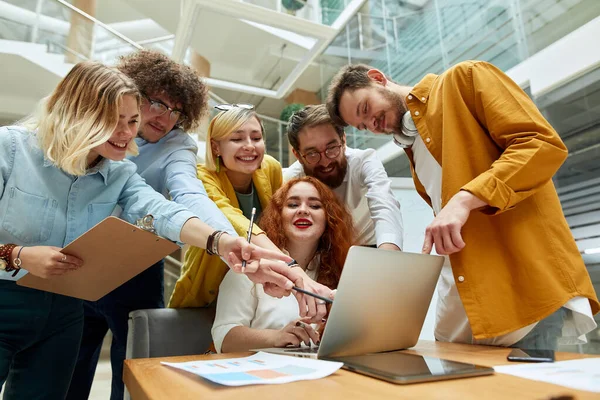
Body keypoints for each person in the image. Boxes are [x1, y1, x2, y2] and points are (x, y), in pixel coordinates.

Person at [0, 61, 291, 400]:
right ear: (77, 114)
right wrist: (16, 255)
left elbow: (164, 211)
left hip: (65, 312)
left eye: (132, 120)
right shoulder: (10, 148)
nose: (127, 132)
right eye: (114, 121)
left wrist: (222, 242)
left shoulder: (120, 173)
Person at [326, 60, 599, 350]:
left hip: (521, 299)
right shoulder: (414, 148)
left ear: (378, 78)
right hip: (463, 312)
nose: (372, 124)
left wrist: (465, 198)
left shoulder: (464, 78)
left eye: (366, 109)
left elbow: (541, 144)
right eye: (363, 126)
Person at [67, 50, 238, 400]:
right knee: (71, 362)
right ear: (134, 93)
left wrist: (227, 240)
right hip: (79, 260)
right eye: (158, 103)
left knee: (133, 369)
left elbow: (189, 193)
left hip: (136, 268)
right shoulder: (91, 132)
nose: (165, 117)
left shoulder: (177, 147)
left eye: (177, 111)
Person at [169, 106, 333, 321]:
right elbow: (231, 219)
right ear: (216, 147)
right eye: (237, 139)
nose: (249, 146)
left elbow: (276, 224)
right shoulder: (201, 177)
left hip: (252, 286)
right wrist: (292, 267)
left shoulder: (271, 168)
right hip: (207, 289)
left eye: (256, 138)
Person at [212, 176, 355, 352]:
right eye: (293, 205)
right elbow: (224, 338)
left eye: (315, 206)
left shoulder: (346, 270)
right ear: (278, 216)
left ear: (329, 218)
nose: (303, 210)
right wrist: (277, 337)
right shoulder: (251, 266)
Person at [284, 104, 403, 250]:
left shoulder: (363, 161)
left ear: (344, 140)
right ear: (298, 155)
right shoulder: (291, 179)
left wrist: (388, 254)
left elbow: (385, 203)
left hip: (369, 247)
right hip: (322, 252)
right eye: (312, 154)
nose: (326, 161)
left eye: (332, 148)